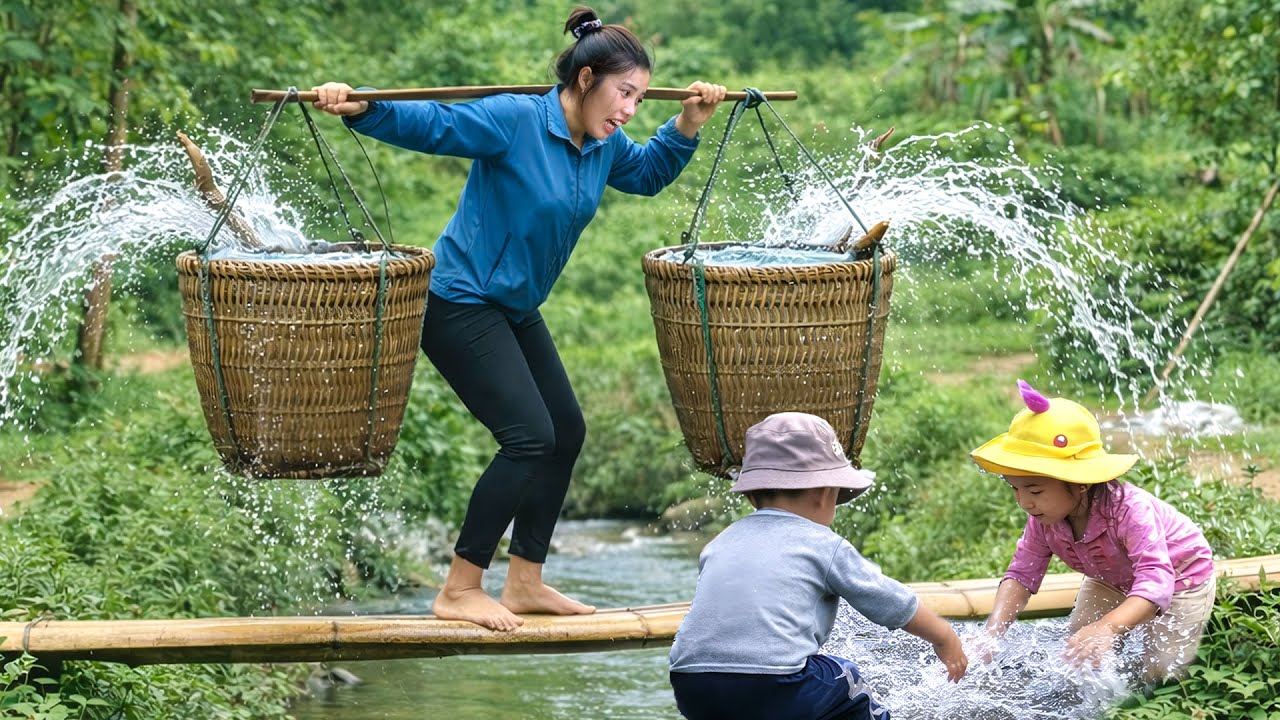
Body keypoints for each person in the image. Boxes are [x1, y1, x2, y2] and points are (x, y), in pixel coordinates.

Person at [312, 6, 727, 632]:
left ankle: (525, 580)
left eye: (641, 98)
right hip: (458, 301)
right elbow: (438, 125)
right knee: (529, 436)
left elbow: (647, 174)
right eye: (624, 93)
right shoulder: (515, 120)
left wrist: (688, 123)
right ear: (586, 79)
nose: (630, 111)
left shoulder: (603, 146)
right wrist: (363, 107)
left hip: (512, 306)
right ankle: (459, 587)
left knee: (565, 429)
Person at [669, 412, 968, 720]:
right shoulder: (822, 543)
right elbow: (889, 602)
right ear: (826, 492)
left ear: (749, 495)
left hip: (691, 684)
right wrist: (943, 636)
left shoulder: (720, 543)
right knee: (847, 682)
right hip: (776, 682)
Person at [972, 379, 1217, 683]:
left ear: (1080, 481)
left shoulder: (1129, 511)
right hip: (1111, 578)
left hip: (1180, 577)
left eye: (1034, 490)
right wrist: (992, 633)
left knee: (1160, 670)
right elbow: (1022, 573)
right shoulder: (1044, 519)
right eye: (1015, 489)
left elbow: (1157, 581)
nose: (1024, 502)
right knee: (1079, 649)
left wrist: (1109, 627)